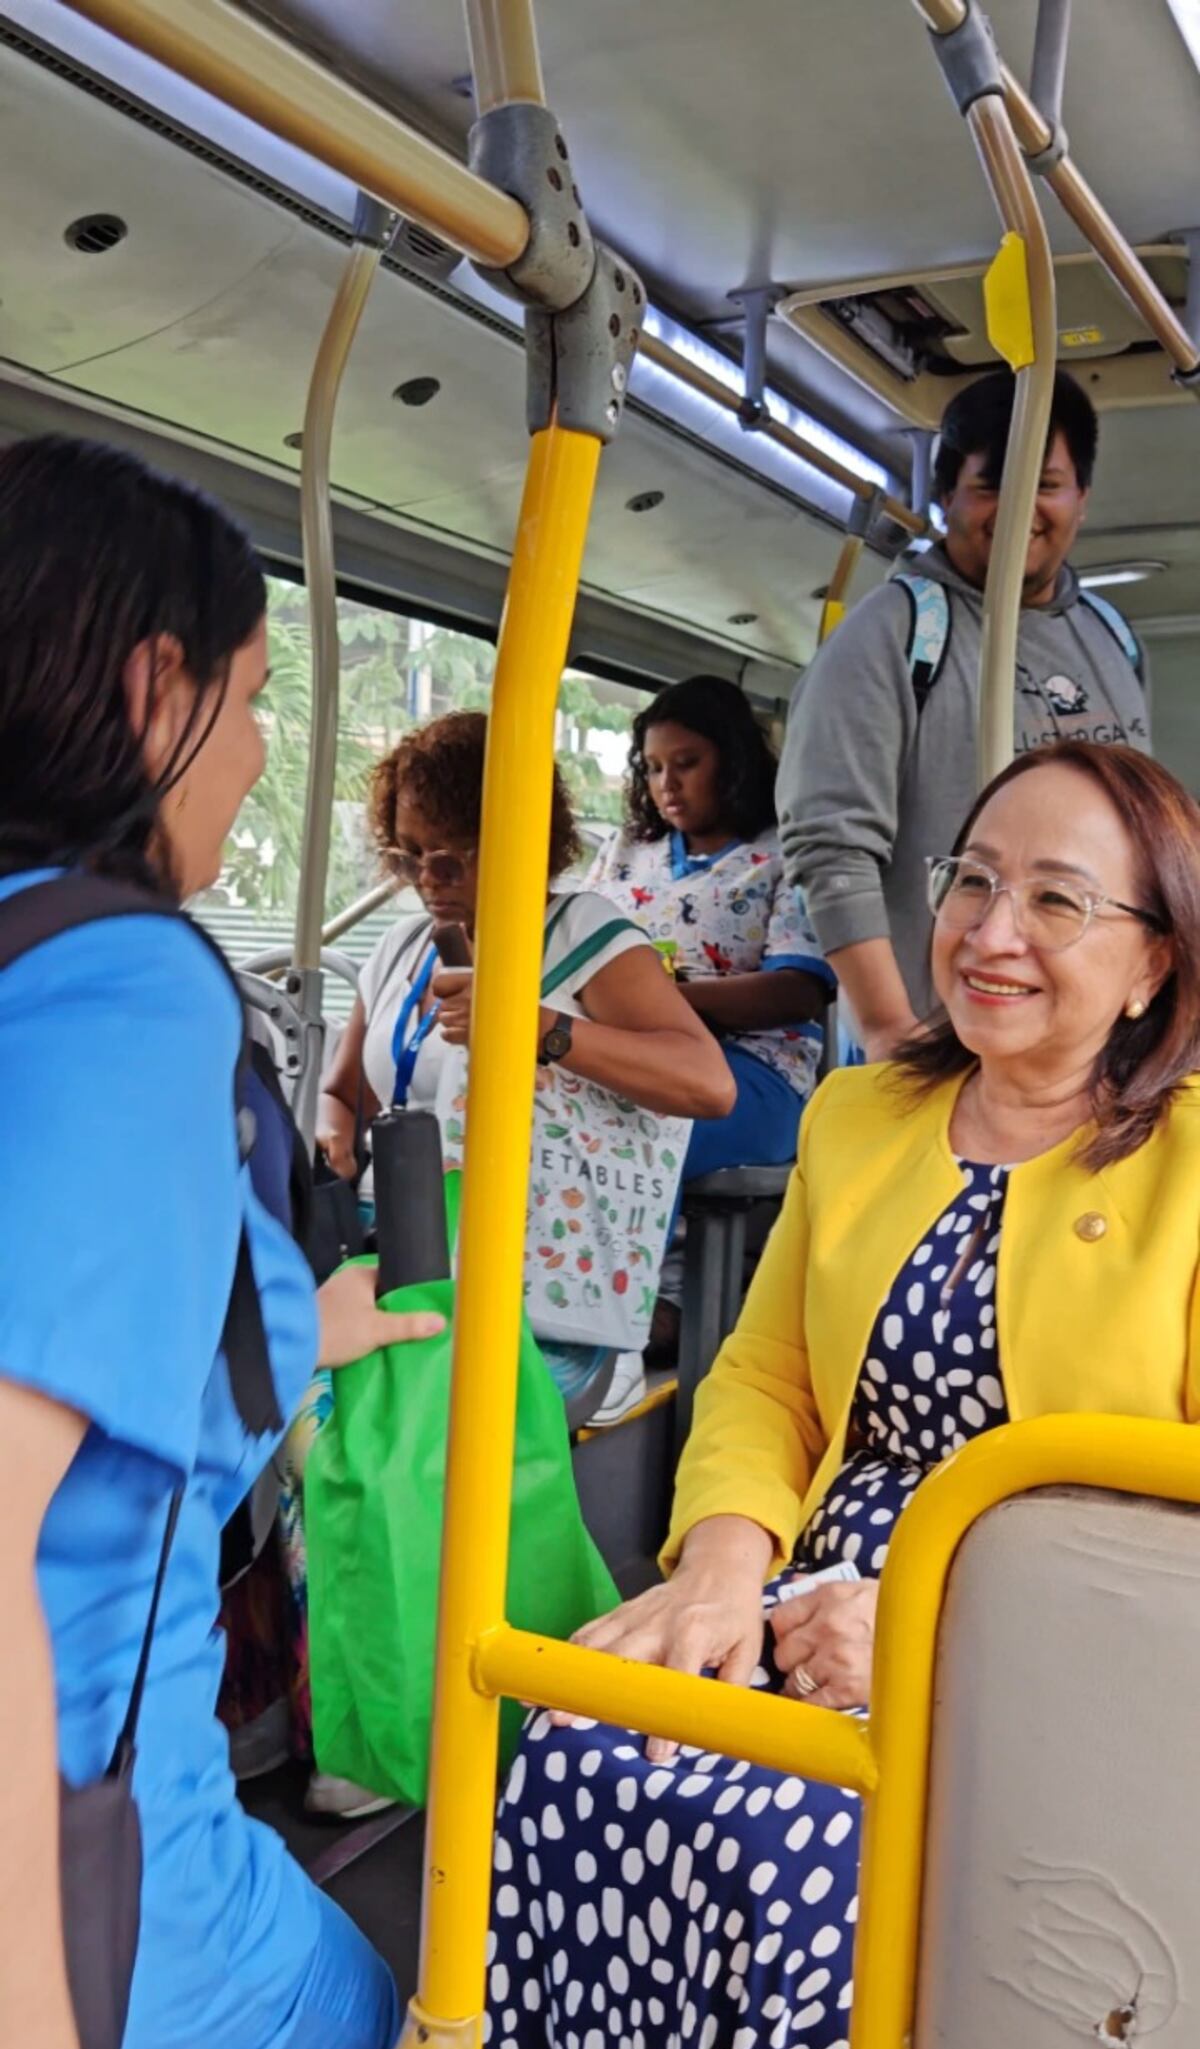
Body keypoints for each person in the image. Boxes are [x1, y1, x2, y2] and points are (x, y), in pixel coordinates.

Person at [482, 739, 1200, 2049]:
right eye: (973, 881)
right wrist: (717, 1573)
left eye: (1057, 901)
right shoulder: (861, 1115)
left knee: (778, 1838)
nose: (992, 934)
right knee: (570, 1753)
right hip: (805, 1589)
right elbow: (766, 1375)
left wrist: (959, 1632)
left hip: (1059, 1655)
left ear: (1155, 964)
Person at [0, 434, 447, 2049]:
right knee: (375, 2035)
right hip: (99, 1877)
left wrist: (305, 1325)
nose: (259, 757)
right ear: (150, 683)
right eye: (253, 699)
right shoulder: (125, 982)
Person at [318, 709, 735, 1421]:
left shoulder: (584, 933)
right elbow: (343, 1092)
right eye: (411, 854)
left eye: (452, 855)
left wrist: (532, 1025)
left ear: (519, 838)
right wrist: (332, 1142)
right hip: (394, 1261)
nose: (427, 879)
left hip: (535, 1295)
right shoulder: (402, 947)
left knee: (389, 1420)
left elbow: (707, 1083)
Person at [777, 368, 1152, 1063]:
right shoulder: (893, 633)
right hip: (946, 1045)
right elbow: (832, 846)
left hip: (1093, 1053)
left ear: (1082, 499)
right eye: (990, 485)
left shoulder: (1113, 640)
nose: (1017, 511)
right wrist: (892, 1032)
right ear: (947, 494)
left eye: (1044, 485)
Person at [586, 676, 834, 1180]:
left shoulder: (788, 854)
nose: (666, 785)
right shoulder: (625, 849)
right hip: (628, 1053)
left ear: (733, 761)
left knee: (622, 1128)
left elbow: (797, 992)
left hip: (750, 1070)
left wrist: (657, 999)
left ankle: (632, 1260)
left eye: (686, 764)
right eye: (653, 769)